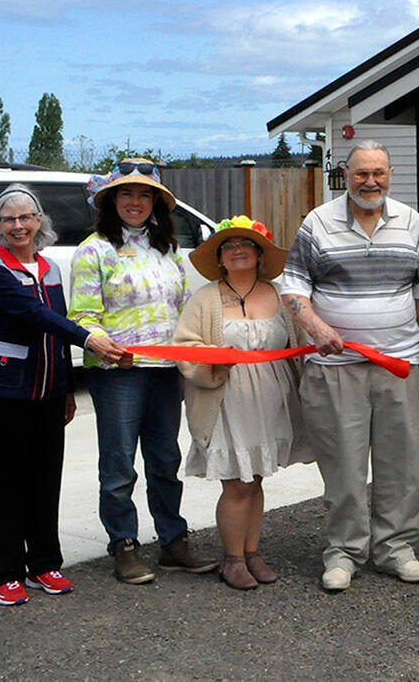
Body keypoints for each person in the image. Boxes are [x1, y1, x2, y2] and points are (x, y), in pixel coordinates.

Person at [281, 140, 419, 593]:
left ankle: (396, 550)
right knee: (344, 466)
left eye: (379, 173)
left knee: (403, 463)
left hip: (400, 364)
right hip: (335, 367)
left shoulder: (411, 223)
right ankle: (343, 552)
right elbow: (294, 287)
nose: (370, 182)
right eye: (361, 173)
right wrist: (314, 325)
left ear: (391, 174)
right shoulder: (318, 223)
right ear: (345, 175)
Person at [0, 184, 126, 606]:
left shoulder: (50, 268)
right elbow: (35, 316)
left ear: (40, 221)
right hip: (1, 393)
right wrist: (90, 341)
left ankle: (43, 564)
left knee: (43, 480)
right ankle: (6, 572)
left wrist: (64, 390)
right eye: (8, 219)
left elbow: (55, 329)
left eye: (26, 217)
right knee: (4, 485)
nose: (18, 225)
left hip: (45, 394)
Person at [69, 158, 216, 584]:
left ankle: (172, 541)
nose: (135, 202)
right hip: (120, 373)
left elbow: (182, 307)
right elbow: (82, 315)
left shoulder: (167, 249)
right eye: (127, 193)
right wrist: (99, 341)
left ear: (156, 203)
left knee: (165, 459)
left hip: (166, 369)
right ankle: (124, 544)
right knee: (118, 464)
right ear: (112, 199)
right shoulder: (94, 249)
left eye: (144, 194)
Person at [173, 215, 309, 590]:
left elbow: (299, 343)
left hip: (270, 397)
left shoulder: (281, 295)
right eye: (228, 246)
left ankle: (252, 553)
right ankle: (232, 559)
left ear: (259, 253)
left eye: (245, 245)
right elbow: (184, 346)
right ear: (219, 257)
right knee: (236, 484)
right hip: (227, 398)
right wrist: (216, 357)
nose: (237, 251)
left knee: (256, 477)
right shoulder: (205, 298)